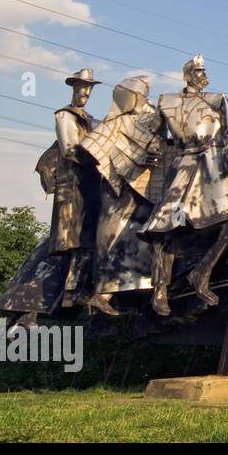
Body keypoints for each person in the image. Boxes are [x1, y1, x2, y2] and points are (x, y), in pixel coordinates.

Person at [141, 55, 228, 316]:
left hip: (213, 167)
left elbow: (227, 138)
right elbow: (156, 134)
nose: (203, 75)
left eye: (204, 71)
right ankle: (160, 290)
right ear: (188, 74)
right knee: (168, 229)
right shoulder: (167, 102)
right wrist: (153, 149)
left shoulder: (216, 100)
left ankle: (203, 272)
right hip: (183, 165)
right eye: (198, 71)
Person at [80, 75, 163, 315]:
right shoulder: (112, 124)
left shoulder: (148, 122)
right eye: (139, 95)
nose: (142, 100)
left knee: (140, 239)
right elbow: (99, 153)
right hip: (117, 194)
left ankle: (136, 292)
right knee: (111, 237)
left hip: (142, 193)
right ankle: (101, 291)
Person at [51, 68, 103, 309]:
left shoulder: (93, 119)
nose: (86, 92)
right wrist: (99, 157)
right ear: (74, 87)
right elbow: (69, 149)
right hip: (73, 184)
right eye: (83, 86)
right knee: (76, 238)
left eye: (89, 87)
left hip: (91, 184)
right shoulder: (64, 115)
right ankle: (71, 290)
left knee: (90, 237)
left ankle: (82, 286)